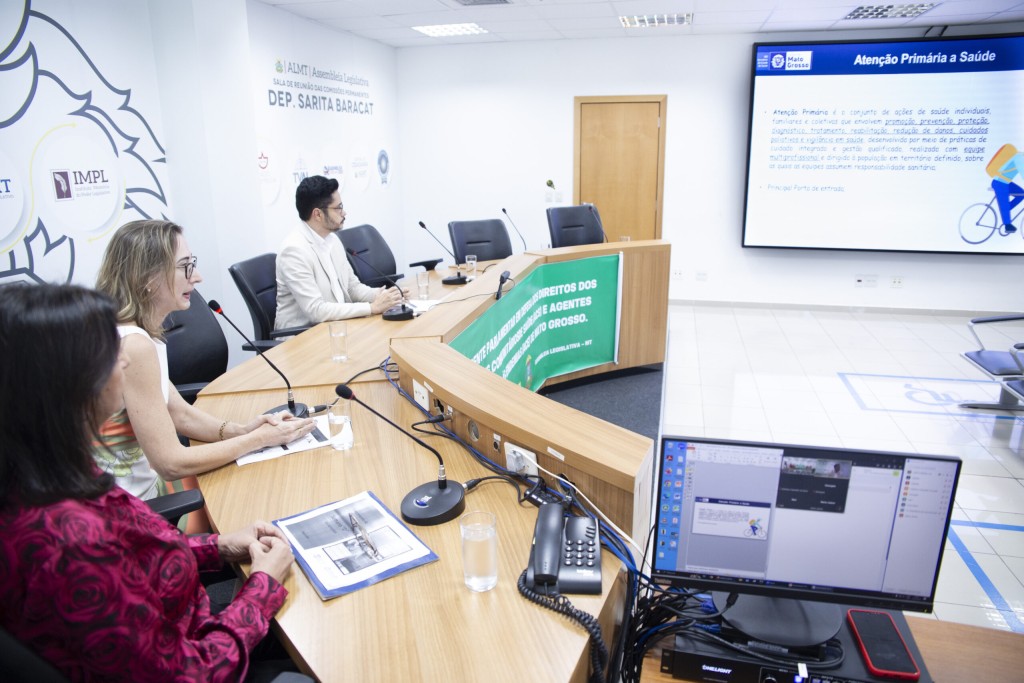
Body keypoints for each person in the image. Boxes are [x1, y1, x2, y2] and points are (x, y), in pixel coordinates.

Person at [0, 283, 296, 682]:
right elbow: (191, 675)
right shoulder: (67, 544)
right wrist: (263, 586)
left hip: (191, 616)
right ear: (61, 380)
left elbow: (134, 556)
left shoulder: (46, 471)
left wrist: (219, 545)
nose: (122, 363)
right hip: (207, 652)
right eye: (106, 351)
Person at [94, 220, 315, 503]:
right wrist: (259, 440)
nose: (196, 277)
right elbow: (170, 463)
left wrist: (244, 429)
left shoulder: (138, 332)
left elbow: (178, 413)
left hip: (133, 495)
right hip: (127, 512)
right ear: (148, 279)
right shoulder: (133, 345)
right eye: (185, 266)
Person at [274, 174, 406, 329]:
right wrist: (372, 308)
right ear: (318, 214)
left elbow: (352, 288)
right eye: (338, 208)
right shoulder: (294, 251)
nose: (344, 213)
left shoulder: (333, 240)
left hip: (334, 327)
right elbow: (316, 310)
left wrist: (385, 296)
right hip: (302, 337)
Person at [987, 143, 1022, 235]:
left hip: (1006, 182)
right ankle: (1007, 225)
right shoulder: (1020, 157)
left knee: (1021, 193)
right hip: (999, 183)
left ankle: (1006, 208)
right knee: (1004, 204)